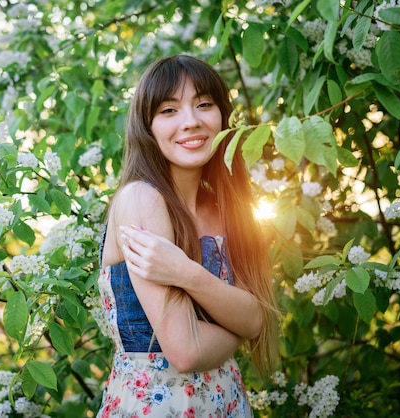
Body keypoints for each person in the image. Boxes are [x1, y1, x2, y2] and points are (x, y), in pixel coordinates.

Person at [96, 54, 279, 417]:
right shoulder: (142, 199)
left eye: (204, 105)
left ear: (223, 117)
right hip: (160, 407)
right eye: (169, 110)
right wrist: (244, 322)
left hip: (225, 402)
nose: (191, 122)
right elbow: (185, 352)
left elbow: (258, 318)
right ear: (147, 126)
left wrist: (185, 272)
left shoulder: (225, 208)